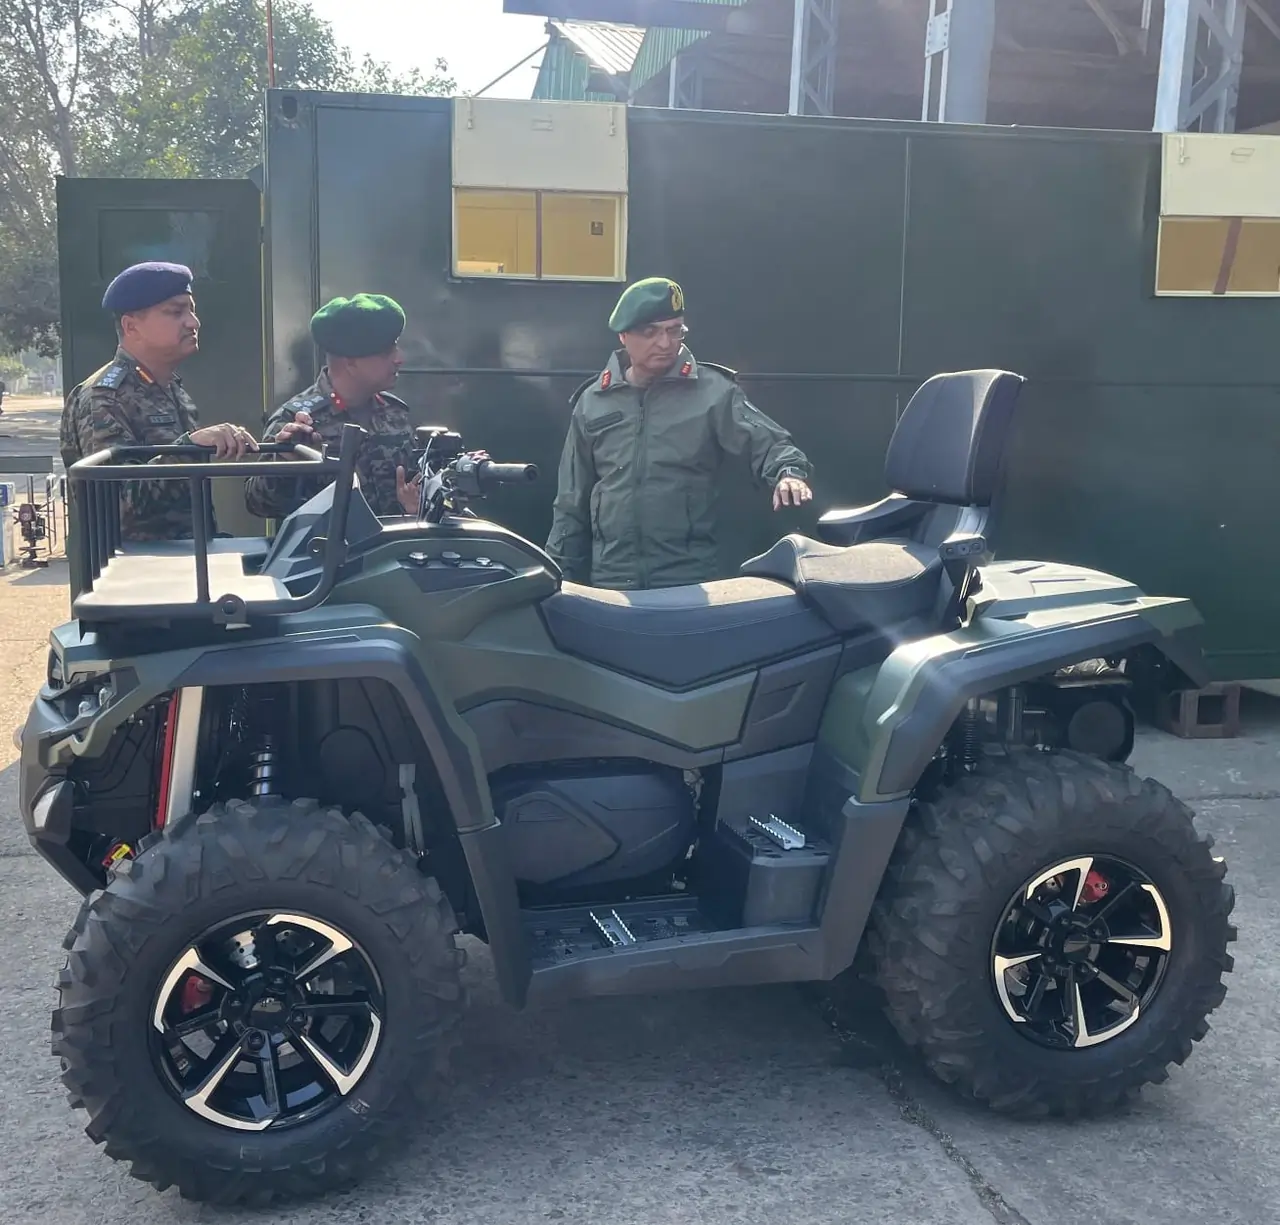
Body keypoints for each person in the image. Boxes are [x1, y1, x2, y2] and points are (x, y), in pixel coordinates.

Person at [545, 277, 814, 591]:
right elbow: (571, 500)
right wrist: (558, 577)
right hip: (614, 581)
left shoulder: (712, 392)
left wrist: (788, 473)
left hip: (690, 580)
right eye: (651, 332)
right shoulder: (593, 401)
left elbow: (767, 442)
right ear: (623, 336)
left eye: (674, 331)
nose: (665, 343)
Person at [59, 261, 256, 542]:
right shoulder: (104, 397)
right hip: (138, 564)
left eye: (192, 310)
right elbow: (115, 505)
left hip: (187, 555)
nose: (193, 322)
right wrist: (188, 449)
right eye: (176, 312)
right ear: (131, 326)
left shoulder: (170, 388)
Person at [244, 293, 420, 521]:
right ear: (351, 361)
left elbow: (412, 485)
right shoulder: (297, 421)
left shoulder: (395, 413)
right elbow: (257, 503)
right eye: (387, 352)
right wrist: (287, 462)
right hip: (328, 544)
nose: (399, 358)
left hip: (390, 542)